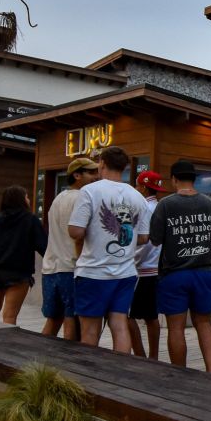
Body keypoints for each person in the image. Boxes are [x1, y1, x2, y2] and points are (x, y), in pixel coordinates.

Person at [69, 146, 148, 353]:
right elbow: (143, 237)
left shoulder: (90, 191)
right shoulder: (137, 196)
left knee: (90, 330)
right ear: (124, 167)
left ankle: (89, 371)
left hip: (93, 271)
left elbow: (75, 231)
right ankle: (119, 370)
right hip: (126, 272)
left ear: (102, 164)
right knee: (120, 325)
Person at [148, 159, 211, 372]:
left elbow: (155, 240)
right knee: (204, 323)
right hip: (204, 272)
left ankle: (181, 374)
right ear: (194, 179)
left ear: (174, 179)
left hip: (174, 274)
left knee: (176, 327)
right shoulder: (209, 203)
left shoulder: (166, 204)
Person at [40, 157, 98, 338]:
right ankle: (68, 358)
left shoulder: (58, 198)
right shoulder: (82, 198)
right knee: (71, 320)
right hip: (72, 268)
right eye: (91, 172)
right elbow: (79, 237)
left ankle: (40, 355)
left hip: (51, 269)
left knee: (53, 320)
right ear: (77, 175)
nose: (96, 176)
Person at [0, 186, 46, 324]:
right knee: (10, 315)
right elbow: (43, 245)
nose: (29, 199)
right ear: (21, 199)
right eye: (26, 196)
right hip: (19, 272)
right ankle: (6, 339)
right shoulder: (30, 219)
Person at [129, 169, 167, 360]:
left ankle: (140, 356)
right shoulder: (160, 208)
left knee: (125, 315)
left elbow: (144, 241)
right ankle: (153, 357)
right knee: (151, 316)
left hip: (141, 269)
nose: (136, 188)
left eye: (137, 185)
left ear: (143, 188)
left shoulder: (143, 207)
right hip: (156, 268)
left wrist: (131, 261)